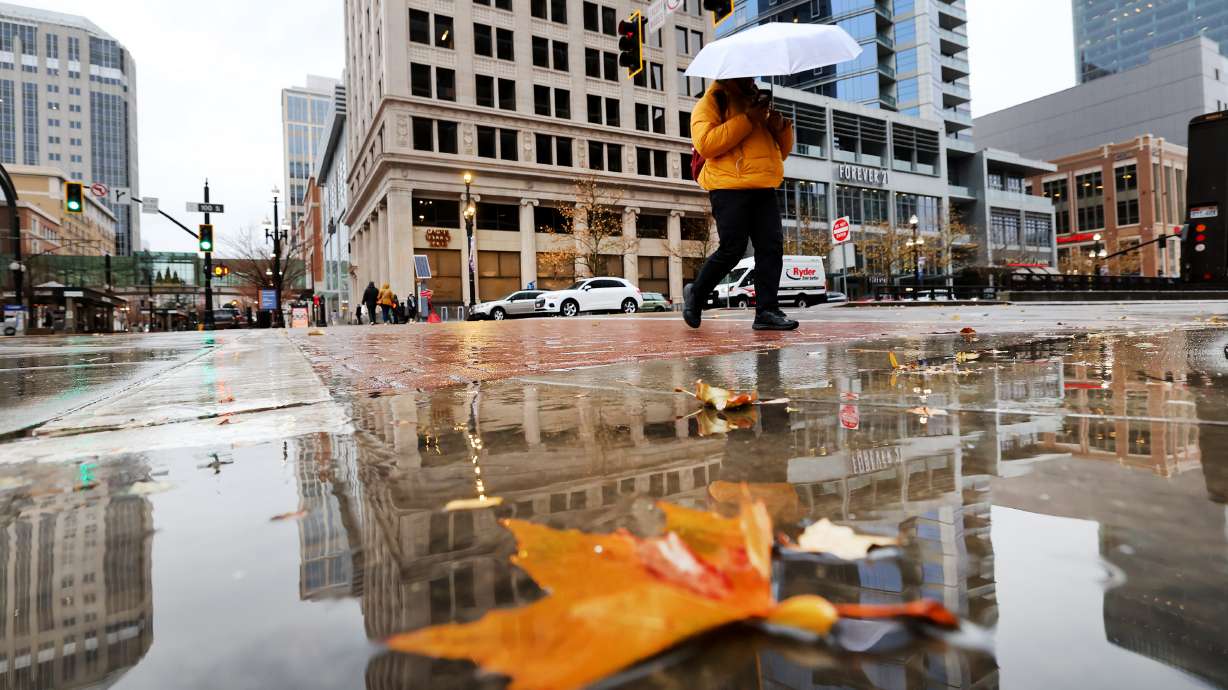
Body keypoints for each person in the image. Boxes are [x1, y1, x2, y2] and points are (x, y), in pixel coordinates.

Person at [683, 78, 799, 332]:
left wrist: (780, 127)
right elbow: (706, 144)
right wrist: (749, 119)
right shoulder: (712, 101)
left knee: (771, 247)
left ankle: (766, 310)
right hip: (728, 185)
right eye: (745, 73)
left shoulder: (758, 103)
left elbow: (782, 151)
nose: (751, 77)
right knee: (732, 249)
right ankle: (697, 294)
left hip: (763, 184)